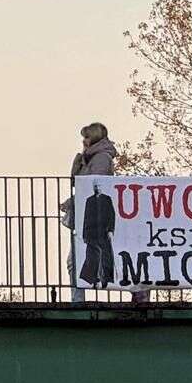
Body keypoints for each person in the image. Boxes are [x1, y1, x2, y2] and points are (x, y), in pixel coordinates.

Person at [64, 122, 118, 293]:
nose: (83, 141)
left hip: (96, 221)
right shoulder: (88, 158)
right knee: (77, 260)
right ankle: (83, 294)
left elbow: (94, 184)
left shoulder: (101, 158)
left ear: (94, 138)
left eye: (86, 137)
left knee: (76, 261)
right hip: (89, 219)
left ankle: (78, 300)